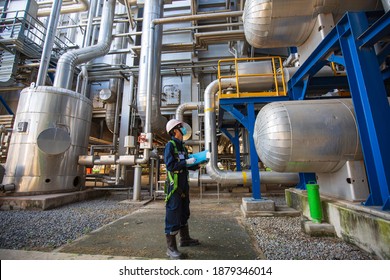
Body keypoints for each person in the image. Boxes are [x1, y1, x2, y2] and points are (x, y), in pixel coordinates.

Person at [164, 119, 200, 259]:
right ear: (174, 131)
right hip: (175, 186)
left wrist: (197, 164)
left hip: (184, 185)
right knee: (173, 214)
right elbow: (171, 166)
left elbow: (185, 165)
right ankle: (171, 248)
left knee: (184, 212)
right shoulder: (170, 146)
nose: (183, 130)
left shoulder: (183, 148)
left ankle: (185, 239)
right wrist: (186, 162)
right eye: (180, 128)